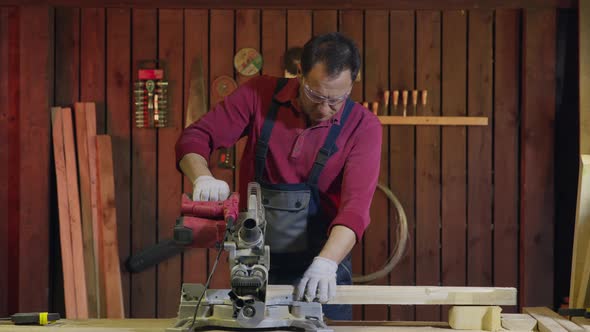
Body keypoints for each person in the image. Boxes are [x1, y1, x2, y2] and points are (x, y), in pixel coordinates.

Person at [175, 32, 382, 320]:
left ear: (352, 83)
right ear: (299, 73)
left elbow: (355, 209)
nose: (324, 108)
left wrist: (327, 262)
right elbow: (196, 137)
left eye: (336, 100)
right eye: (315, 95)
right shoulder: (259, 94)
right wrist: (202, 177)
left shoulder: (363, 126)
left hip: (323, 257)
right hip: (255, 257)